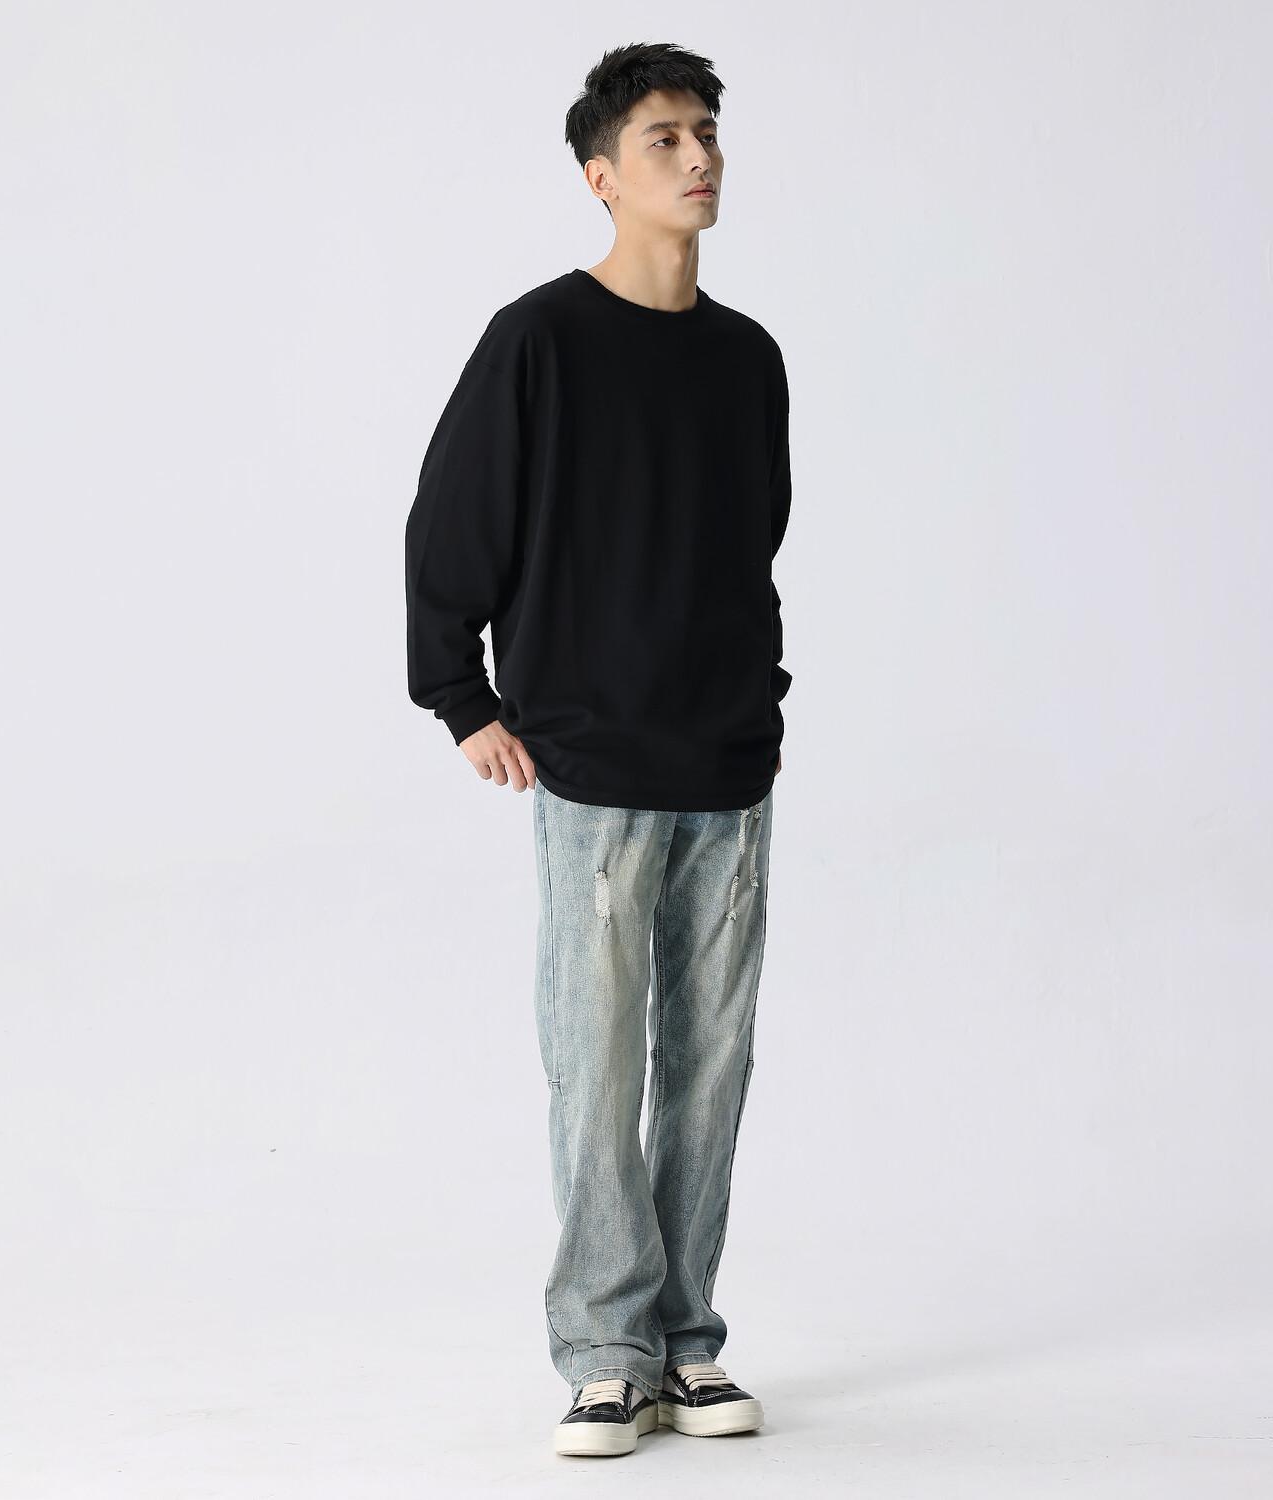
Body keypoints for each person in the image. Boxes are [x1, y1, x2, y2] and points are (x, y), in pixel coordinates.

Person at [404, 41, 792, 1459]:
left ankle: (688, 1341)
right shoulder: (540, 341)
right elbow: (450, 523)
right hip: (590, 765)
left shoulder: (748, 358)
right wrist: (463, 699)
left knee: (709, 1069)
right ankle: (604, 1350)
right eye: (665, 139)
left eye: (707, 133)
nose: (698, 158)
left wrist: (758, 699)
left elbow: (751, 548)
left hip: (727, 767)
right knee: (597, 1059)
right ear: (601, 176)